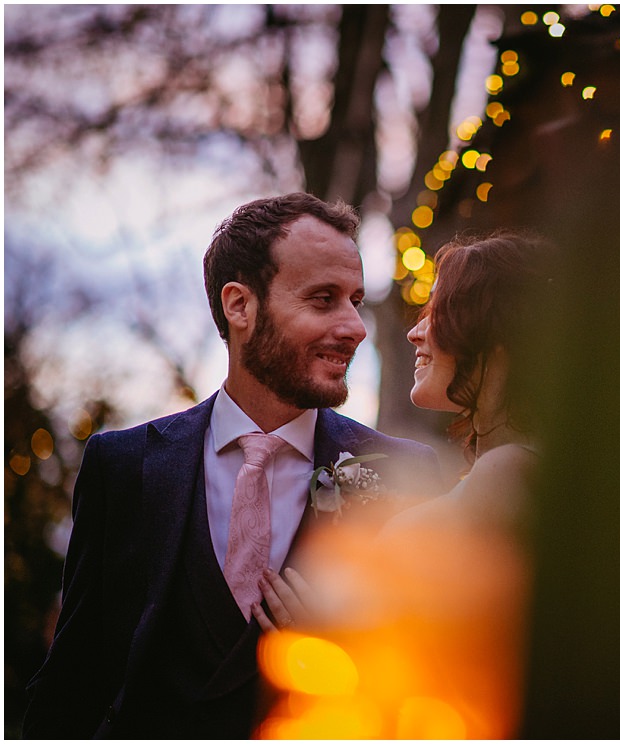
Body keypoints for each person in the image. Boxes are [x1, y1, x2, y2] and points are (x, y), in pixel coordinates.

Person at [21, 192, 444, 739]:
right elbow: (72, 687)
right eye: (323, 300)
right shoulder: (123, 468)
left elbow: (437, 696)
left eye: (355, 301)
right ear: (239, 306)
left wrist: (351, 655)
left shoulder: (404, 478)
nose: (354, 326)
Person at [254, 230, 555, 739]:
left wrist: (328, 630)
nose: (416, 334)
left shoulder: (509, 475)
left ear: (492, 334)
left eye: (436, 313)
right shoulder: (511, 468)